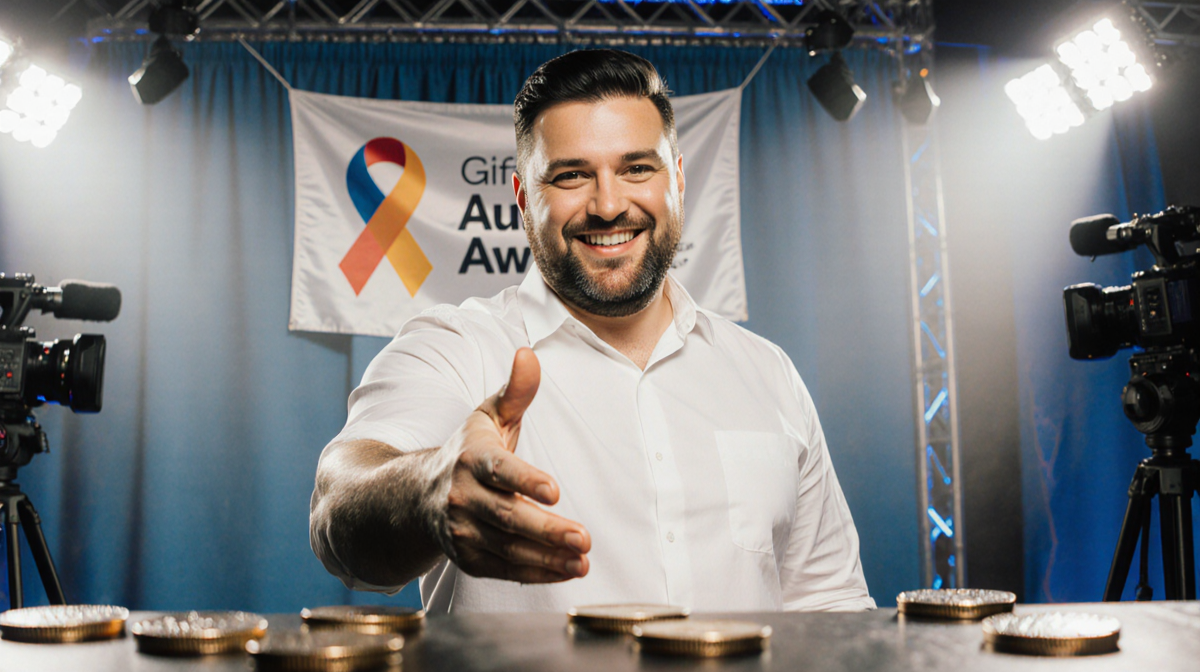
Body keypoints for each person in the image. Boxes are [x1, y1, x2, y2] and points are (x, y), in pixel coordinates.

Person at [310, 49, 875, 613]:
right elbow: (339, 514)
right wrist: (431, 493)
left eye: (637, 168)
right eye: (572, 175)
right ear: (524, 199)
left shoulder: (767, 373)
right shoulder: (456, 349)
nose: (608, 205)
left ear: (677, 177)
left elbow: (829, 603)